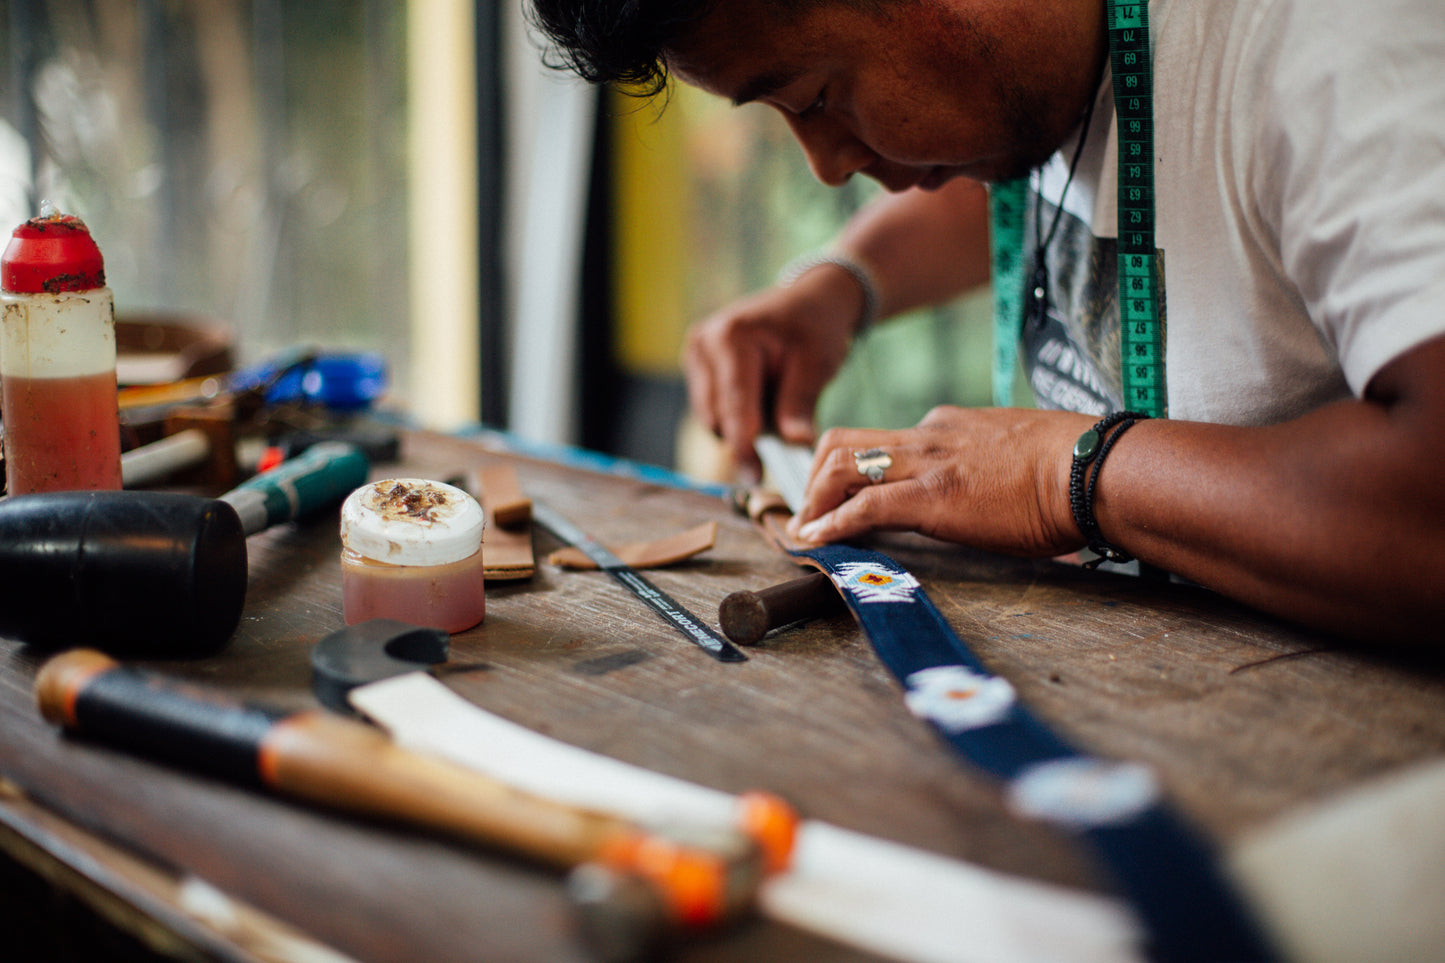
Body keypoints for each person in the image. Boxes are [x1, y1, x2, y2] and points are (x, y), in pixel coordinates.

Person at [527, 0, 1445, 646]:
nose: (826, 166)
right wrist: (838, 284)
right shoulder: (1052, 60)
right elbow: (1041, 162)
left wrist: (1066, 470)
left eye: (813, 96)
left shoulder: (1335, 46)